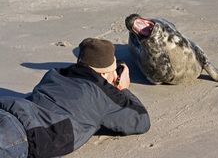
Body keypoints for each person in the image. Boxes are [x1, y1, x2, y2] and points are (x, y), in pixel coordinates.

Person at [0, 38, 150, 158]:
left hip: (9, 109)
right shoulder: (101, 94)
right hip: (19, 133)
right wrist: (123, 90)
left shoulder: (55, 74)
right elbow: (141, 121)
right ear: (104, 74)